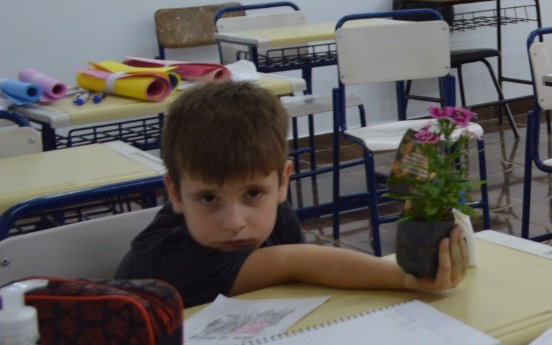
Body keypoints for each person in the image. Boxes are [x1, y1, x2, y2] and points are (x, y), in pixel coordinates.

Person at [117, 80, 465, 306]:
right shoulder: (165, 258)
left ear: (283, 182)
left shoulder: (274, 214)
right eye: (209, 199)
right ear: (175, 193)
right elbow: (296, 264)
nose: (234, 222)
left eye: (253, 194)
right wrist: (409, 279)